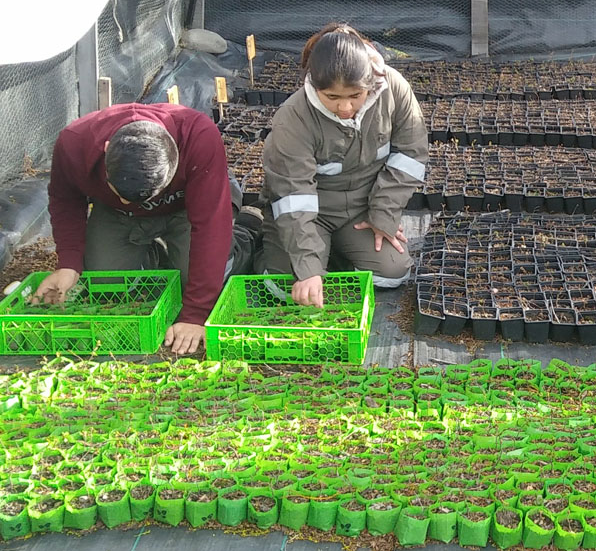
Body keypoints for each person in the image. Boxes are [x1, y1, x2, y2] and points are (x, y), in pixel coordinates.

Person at [38, 104, 262, 355]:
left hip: (185, 206)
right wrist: (68, 265)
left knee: (210, 273)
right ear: (107, 148)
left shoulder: (197, 135)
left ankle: (245, 233)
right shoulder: (74, 143)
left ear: (175, 162)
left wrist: (195, 314)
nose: (125, 199)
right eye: (118, 190)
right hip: (119, 215)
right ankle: (156, 254)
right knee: (106, 283)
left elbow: (210, 225)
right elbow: (65, 201)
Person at [260, 23, 428, 307]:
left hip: (362, 208)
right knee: (286, 285)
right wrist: (308, 269)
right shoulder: (293, 117)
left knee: (392, 272)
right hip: (312, 213)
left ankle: (336, 249)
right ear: (314, 84)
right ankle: (266, 235)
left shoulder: (393, 88)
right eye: (332, 98)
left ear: (370, 82)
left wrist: (383, 215)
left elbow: (411, 155)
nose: (346, 108)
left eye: (354, 96)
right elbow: (294, 197)